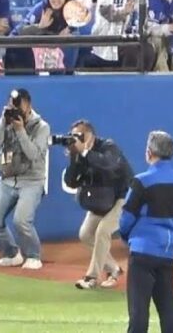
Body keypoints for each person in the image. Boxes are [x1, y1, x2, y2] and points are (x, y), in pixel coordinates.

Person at [119, 130, 173, 333]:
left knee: (139, 313)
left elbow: (126, 218)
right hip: (168, 252)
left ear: (149, 152)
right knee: (169, 311)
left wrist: (128, 238)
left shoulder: (141, 181)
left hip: (143, 252)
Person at [62, 120, 133, 291]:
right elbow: (71, 182)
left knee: (103, 231)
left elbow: (108, 164)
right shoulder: (80, 153)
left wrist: (85, 152)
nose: (76, 139)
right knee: (86, 234)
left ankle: (91, 277)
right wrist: (74, 157)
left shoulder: (109, 147)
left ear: (90, 136)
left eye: (79, 135)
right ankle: (114, 269)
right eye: (73, 136)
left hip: (124, 197)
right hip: (103, 200)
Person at [0, 88, 50, 270]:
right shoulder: (7, 121)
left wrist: (21, 130)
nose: (16, 110)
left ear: (28, 105)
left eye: (19, 106)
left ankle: (33, 256)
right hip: (7, 179)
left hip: (32, 181)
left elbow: (33, 154)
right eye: (12, 105)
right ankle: (11, 254)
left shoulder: (42, 127)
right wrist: (2, 122)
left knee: (21, 221)